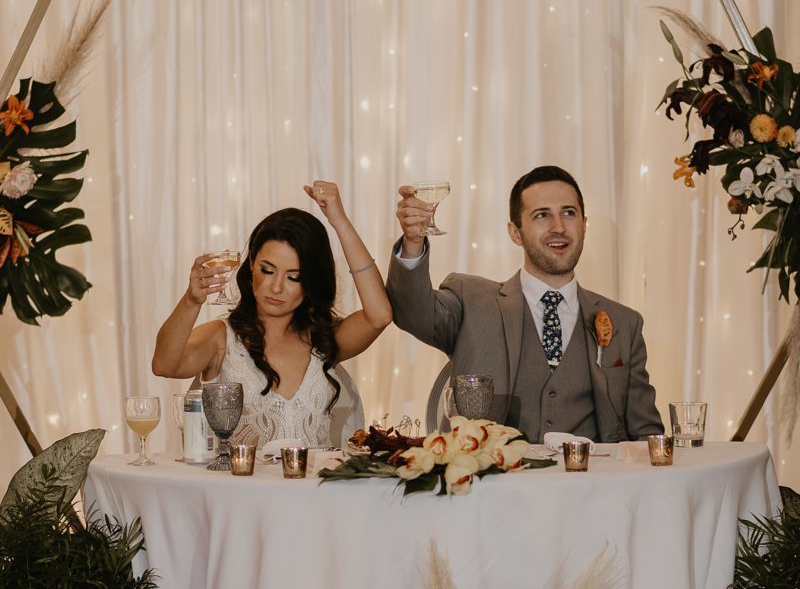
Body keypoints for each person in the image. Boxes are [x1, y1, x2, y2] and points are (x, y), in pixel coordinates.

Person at [388, 164, 663, 443]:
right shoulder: (470, 299)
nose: (559, 227)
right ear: (515, 233)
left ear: (584, 225)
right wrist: (413, 241)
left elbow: (647, 436)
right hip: (494, 483)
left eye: (569, 213)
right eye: (542, 215)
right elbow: (411, 313)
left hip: (591, 482)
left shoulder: (625, 323)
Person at [152, 182, 392, 448]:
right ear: (252, 263)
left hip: (314, 488)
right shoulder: (222, 338)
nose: (276, 287)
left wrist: (341, 224)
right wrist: (191, 300)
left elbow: (379, 315)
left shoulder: (324, 339)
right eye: (267, 270)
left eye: (294, 276)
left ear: (311, 280)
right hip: (240, 488)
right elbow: (164, 365)